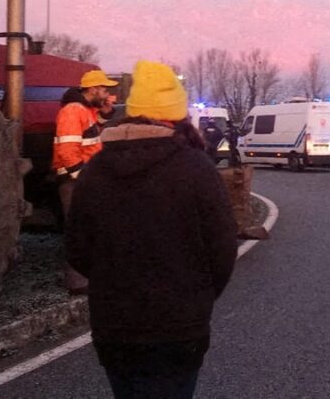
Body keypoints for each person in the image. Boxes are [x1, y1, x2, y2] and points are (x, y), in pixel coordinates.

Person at [66, 60, 237, 399]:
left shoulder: (96, 171)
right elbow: (222, 252)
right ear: (177, 115)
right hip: (180, 328)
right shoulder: (197, 170)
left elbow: (78, 251)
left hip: (115, 329)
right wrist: (198, 296)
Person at [52, 69, 119, 294]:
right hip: (74, 181)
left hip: (79, 179)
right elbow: (67, 150)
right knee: (78, 230)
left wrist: (105, 115)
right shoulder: (73, 111)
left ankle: (86, 279)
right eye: (104, 89)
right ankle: (78, 283)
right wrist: (82, 178)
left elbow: (88, 135)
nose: (107, 93)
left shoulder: (84, 110)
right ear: (92, 89)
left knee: (86, 228)